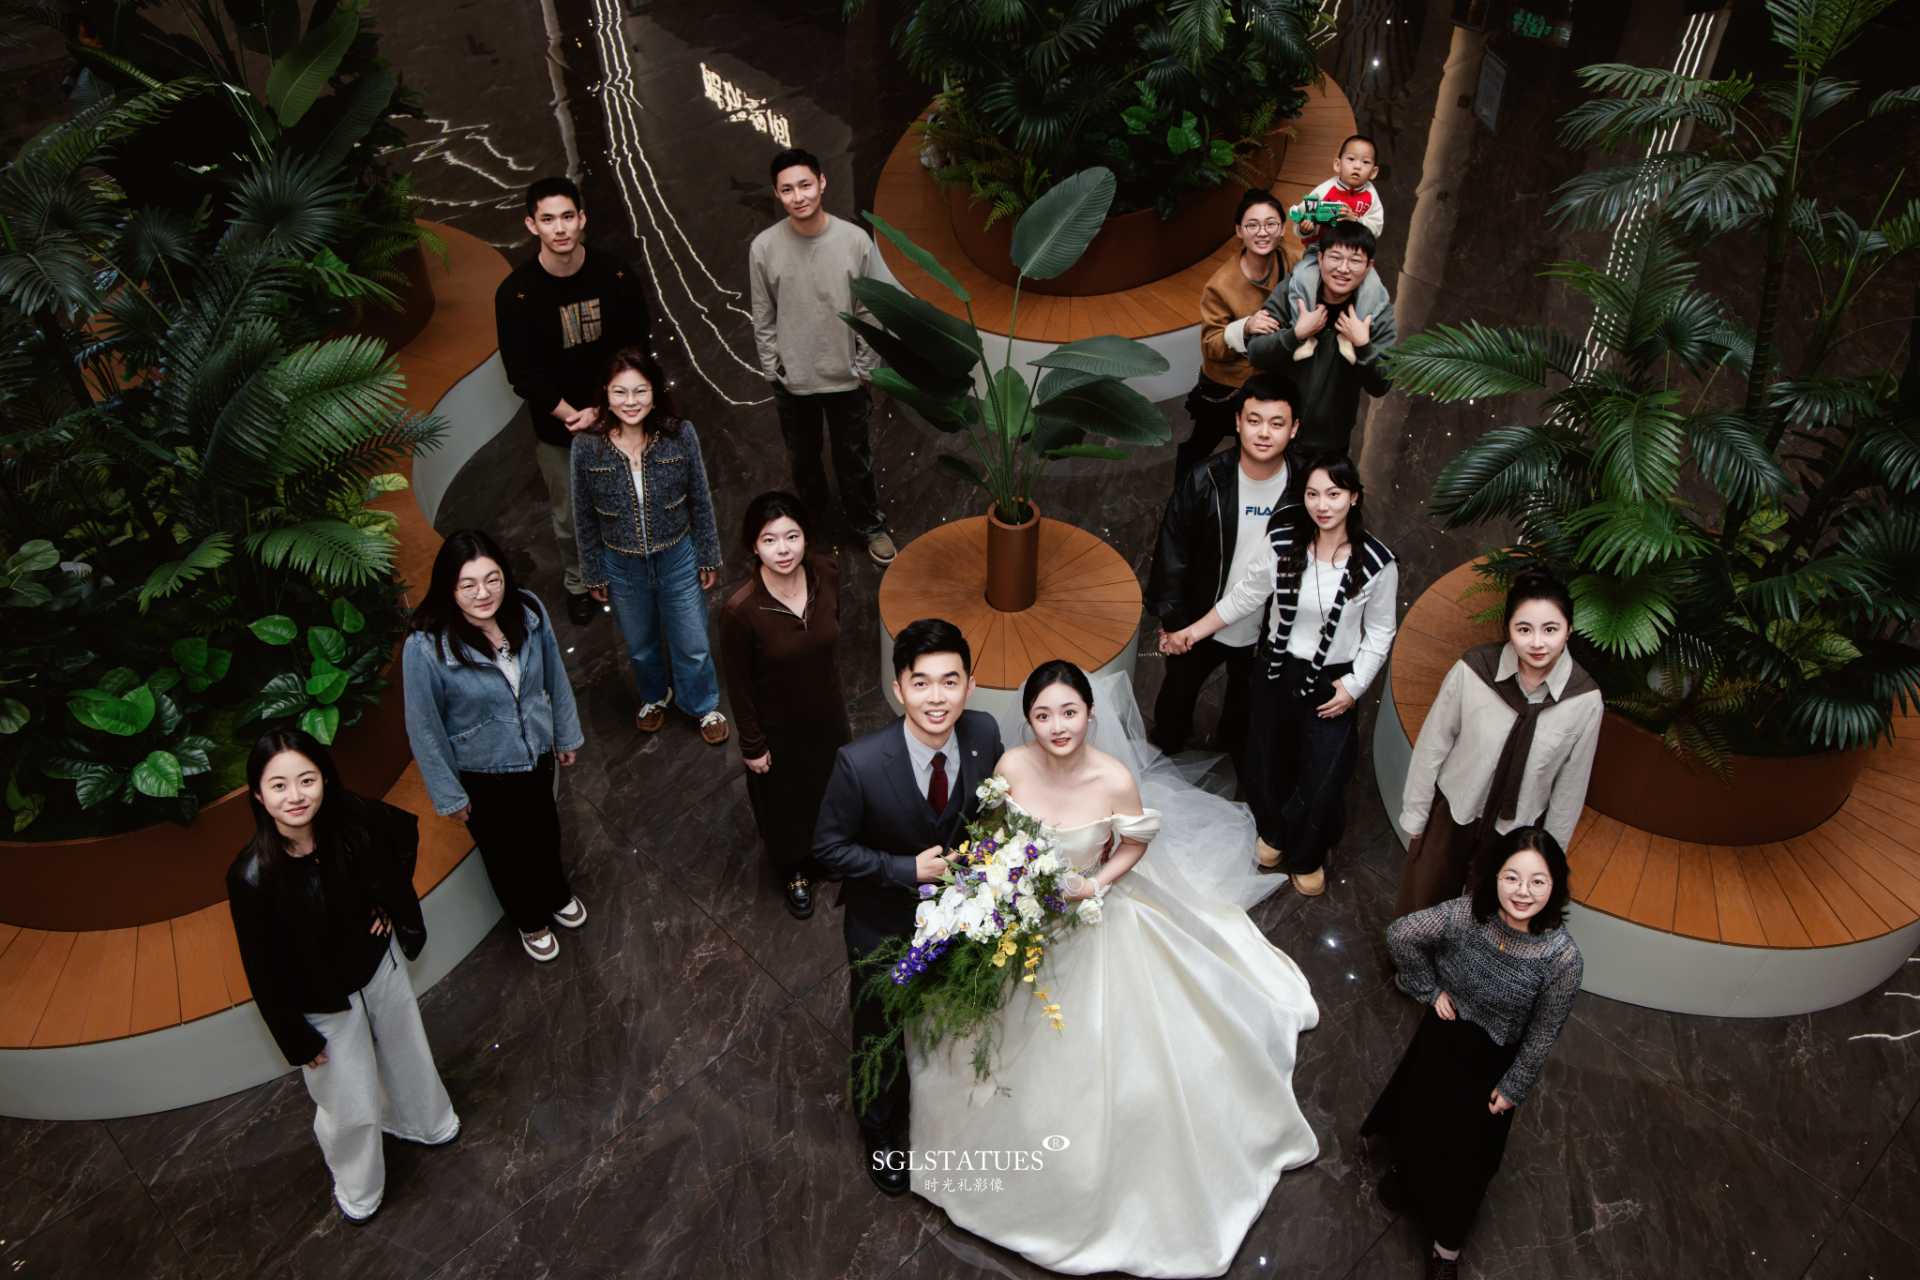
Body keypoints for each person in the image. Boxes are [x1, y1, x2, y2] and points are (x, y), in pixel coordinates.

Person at [911, 660, 1320, 1278]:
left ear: (1090, 714)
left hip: (1092, 920)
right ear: (1028, 721)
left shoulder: (1114, 779)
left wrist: (1095, 883)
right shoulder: (1011, 767)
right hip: (1024, 925)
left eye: (1069, 712)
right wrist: (1001, 882)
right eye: (1043, 715)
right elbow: (993, 832)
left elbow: (1134, 842)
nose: (1058, 727)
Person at [227, 729, 459, 1224]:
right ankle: (359, 1188)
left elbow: (402, 835)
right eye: (279, 786)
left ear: (325, 780)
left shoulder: (350, 818)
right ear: (258, 795)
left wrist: (387, 903)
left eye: (307, 780)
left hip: (378, 966)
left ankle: (426, 1122)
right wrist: (295, 1037)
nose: (295, 796)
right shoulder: (250, 875)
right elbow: (260, 966)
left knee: (409, 1052)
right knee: (347, 1100)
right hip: (321, 1001)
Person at [812, 618, 1005, 1196]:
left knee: (949, 1013)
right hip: (884, 924)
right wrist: (904, 870)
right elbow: (828, 849)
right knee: (880, 1025)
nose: (936, 698)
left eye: (950, 681)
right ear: (898, 688)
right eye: (921, 683)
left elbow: (992, 811)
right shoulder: (860, 763)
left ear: (970, 684)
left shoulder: (984, 734)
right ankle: (878, 1127)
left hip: (959, 919)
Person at [1165, 452, 1398, 896]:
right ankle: (1272, 831)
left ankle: (1307, 855)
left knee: (1323, 772)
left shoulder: (1376, 563)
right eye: (1312, 494)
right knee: (1266, 758)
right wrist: (1191, 632)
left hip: (1333, 678)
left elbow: (1381, 631)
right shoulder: (1284, 543)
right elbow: (1244, 597)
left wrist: (1354, 686)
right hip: (1276, 667)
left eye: (1334, 494)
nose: (1322, 505)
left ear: (1354, 497)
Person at [1364, 827, 1584, 1280]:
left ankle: (1446, 1249)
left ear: (1555, 885)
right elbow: (1401, 934)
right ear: (1495, 876)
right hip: (1444, 1036)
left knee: (1471, 1158)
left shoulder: (1562, 959)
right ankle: (1408, 1177)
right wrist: (1428, 989)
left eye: (1538, 881)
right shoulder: (1468, 914)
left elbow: (1544, 1032)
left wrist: (1515, 1085)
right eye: (1512, 877)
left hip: (1494, 1062)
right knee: (1422, 1114)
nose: (1523, 892)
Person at [402, 531, 589, 964]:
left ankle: (556, 893)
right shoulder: (425, 647)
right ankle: (529, 919)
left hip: (535, 753)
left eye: (493, 579)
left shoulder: (527, 610)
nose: (483, 593)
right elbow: (423, 728)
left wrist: (566, 733)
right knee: (505, 854)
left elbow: (554, 674)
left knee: (545, 830)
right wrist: (449, 794)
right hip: (482, 771)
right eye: (467, 584)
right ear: (449, 587)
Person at [1396, 568, 1603, 915]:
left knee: (1486, 919)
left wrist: (1549, 858)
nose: (1537, 643)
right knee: (1422, 906)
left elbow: (1571, 786)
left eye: (1550, 629)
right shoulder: (1474, 670)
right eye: (1524, 629)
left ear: (1569, 629)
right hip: (1454, 810)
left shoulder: (1584, 700)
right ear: (1508, 629)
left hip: (1517, 830)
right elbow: (1434, 744)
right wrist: (1417, 813)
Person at [494, 175, 653, 624]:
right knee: (570, 515)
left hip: (623, 414)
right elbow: (522, 372)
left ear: (582, 219)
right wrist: (573, 415)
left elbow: (637, 348)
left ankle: (631, 573)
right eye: (548, 219)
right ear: (532, 225)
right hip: (559, 427)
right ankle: (579, 582)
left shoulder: (615, 274)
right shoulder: (516, 294)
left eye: (568, 216)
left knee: (632, 498)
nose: (560, 228)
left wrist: (606, 409)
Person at [1146, 373, 1303, 775]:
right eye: (1254, 420)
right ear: (1237, 422)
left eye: (1277, 423)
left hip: (1267, 627)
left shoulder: (1306, 488)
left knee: (1245, 705)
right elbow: (1172, 552)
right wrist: (1174, 622)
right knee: (1176, 699)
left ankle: (1234, 756)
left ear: (1294, 428)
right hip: (1202, 617)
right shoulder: (1204, 479)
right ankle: (1165, 752)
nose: (1264, 433)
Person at [571, 347, 730, 744]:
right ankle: (655, 696)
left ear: (655, 393)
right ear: (605, 395)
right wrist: (593, 571)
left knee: (692, 642)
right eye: (620, 392)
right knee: (640, 645)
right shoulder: (587, 447)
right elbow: (583, 516)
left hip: (677, 556)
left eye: (640, 391)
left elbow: (700, 499)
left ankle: (702, 704)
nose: (631, 401)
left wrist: (708, 554)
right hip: (621, 565)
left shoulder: (679, 434)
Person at [749, 146, 897, 566]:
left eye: (805, 185)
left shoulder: (854, 241)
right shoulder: (764, 247)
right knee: (804, 460)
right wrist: (773, 367)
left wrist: (866, 366)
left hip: (847, 375)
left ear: (822, 183)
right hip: (793, 378)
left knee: (854, 458)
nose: (798, 197)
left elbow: (870, 309)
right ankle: (811, 527)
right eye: (787, 189)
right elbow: (763, 314)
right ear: (777, 193)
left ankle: (868, 525)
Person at [717, 492, 851, 918]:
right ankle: (794, 870)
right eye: (770, 540)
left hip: (827, 712)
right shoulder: (740, 610)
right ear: (753, 546)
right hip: (776, 726)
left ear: (805, 536)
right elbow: (738, 684)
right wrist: (753, 744)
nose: (783, 549)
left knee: (830, 788)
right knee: (783, 803)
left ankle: (829, 851)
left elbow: (831, 633)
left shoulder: (826, 573)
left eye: (792, 536)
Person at [1244, 219, 1396, 459]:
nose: (1343, 269)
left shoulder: (1376, 311)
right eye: (1335, 257)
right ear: (1321, 257)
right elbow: (1256, 353)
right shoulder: (1294, 291)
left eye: (1355, 261)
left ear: (1369, 266)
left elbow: (1381, 386)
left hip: (1330, 438)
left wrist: (1363, 346)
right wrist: (1295, 334)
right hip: (1275, 427)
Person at [1177, 189, 1298, 477]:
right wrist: (1245, 327)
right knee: (1203, 442)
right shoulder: (1221, 284)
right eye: (1252, 225)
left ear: (1282, 228)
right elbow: (1210, 344)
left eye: (1270, 224)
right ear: (1239, 231)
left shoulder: (1293, 260)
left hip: (1273, 374)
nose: (1262, 232)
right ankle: (1182, 488)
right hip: (1228, 383)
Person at [1288, 133, 1385, 259]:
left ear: (1373, 172)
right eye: (1351, 159)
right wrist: (1305, 229)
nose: (1357, 166)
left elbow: (1376, 227)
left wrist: (1356, 221)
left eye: (1365, 162)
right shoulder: (1324, 190)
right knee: (1304, 271)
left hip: (1355, 249)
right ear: (1338, 165)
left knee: (1371, 273)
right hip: (1320, 247)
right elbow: (1302, 216)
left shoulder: (1371, 195)